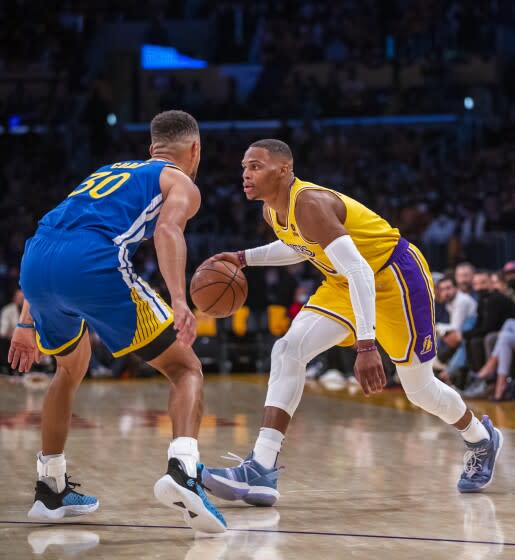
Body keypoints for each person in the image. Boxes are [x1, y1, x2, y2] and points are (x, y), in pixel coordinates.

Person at [201, 139, 503, 506]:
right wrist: (242, 257)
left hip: (394, 278)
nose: (245, 174)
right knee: (288, 350)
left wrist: (366, 345)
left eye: (255, 166)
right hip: (344, 283)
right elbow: (301, 247)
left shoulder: (309, 203)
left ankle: (480, 437)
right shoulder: (271, 211)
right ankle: (261, 469)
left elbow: (360, 269)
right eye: (244, 168)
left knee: (420, 390)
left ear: (283, 170)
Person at [8, 110, 226, 533]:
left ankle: (50, 488)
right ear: (195, 149)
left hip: (36, 262)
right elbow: (167, 232)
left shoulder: (107, 172)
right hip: (92, 262)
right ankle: (184, 471)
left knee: (69, 368)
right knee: (185, 368)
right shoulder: (180, 182)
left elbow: (52, 231)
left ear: (151, 149)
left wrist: (25, 319)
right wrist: (179, 300)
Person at [435, 276, 477, 385]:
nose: (445, 292)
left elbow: (455, 327)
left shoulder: (461, 301)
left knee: (457, 340)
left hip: (473, 330)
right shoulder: (449, 302)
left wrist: (436, 328)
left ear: (456, 288)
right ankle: (446, 372)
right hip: (464, 331)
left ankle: (448, 373)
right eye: (442, 289)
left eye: (448, 288)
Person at [0, 288, 24, 374]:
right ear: (14, 298)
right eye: (19, 298)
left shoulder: (30, 311)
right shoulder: (7, 310)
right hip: (10, 341)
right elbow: (3, 331)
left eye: (23, 298)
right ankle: (9, 368)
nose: (22, 300)